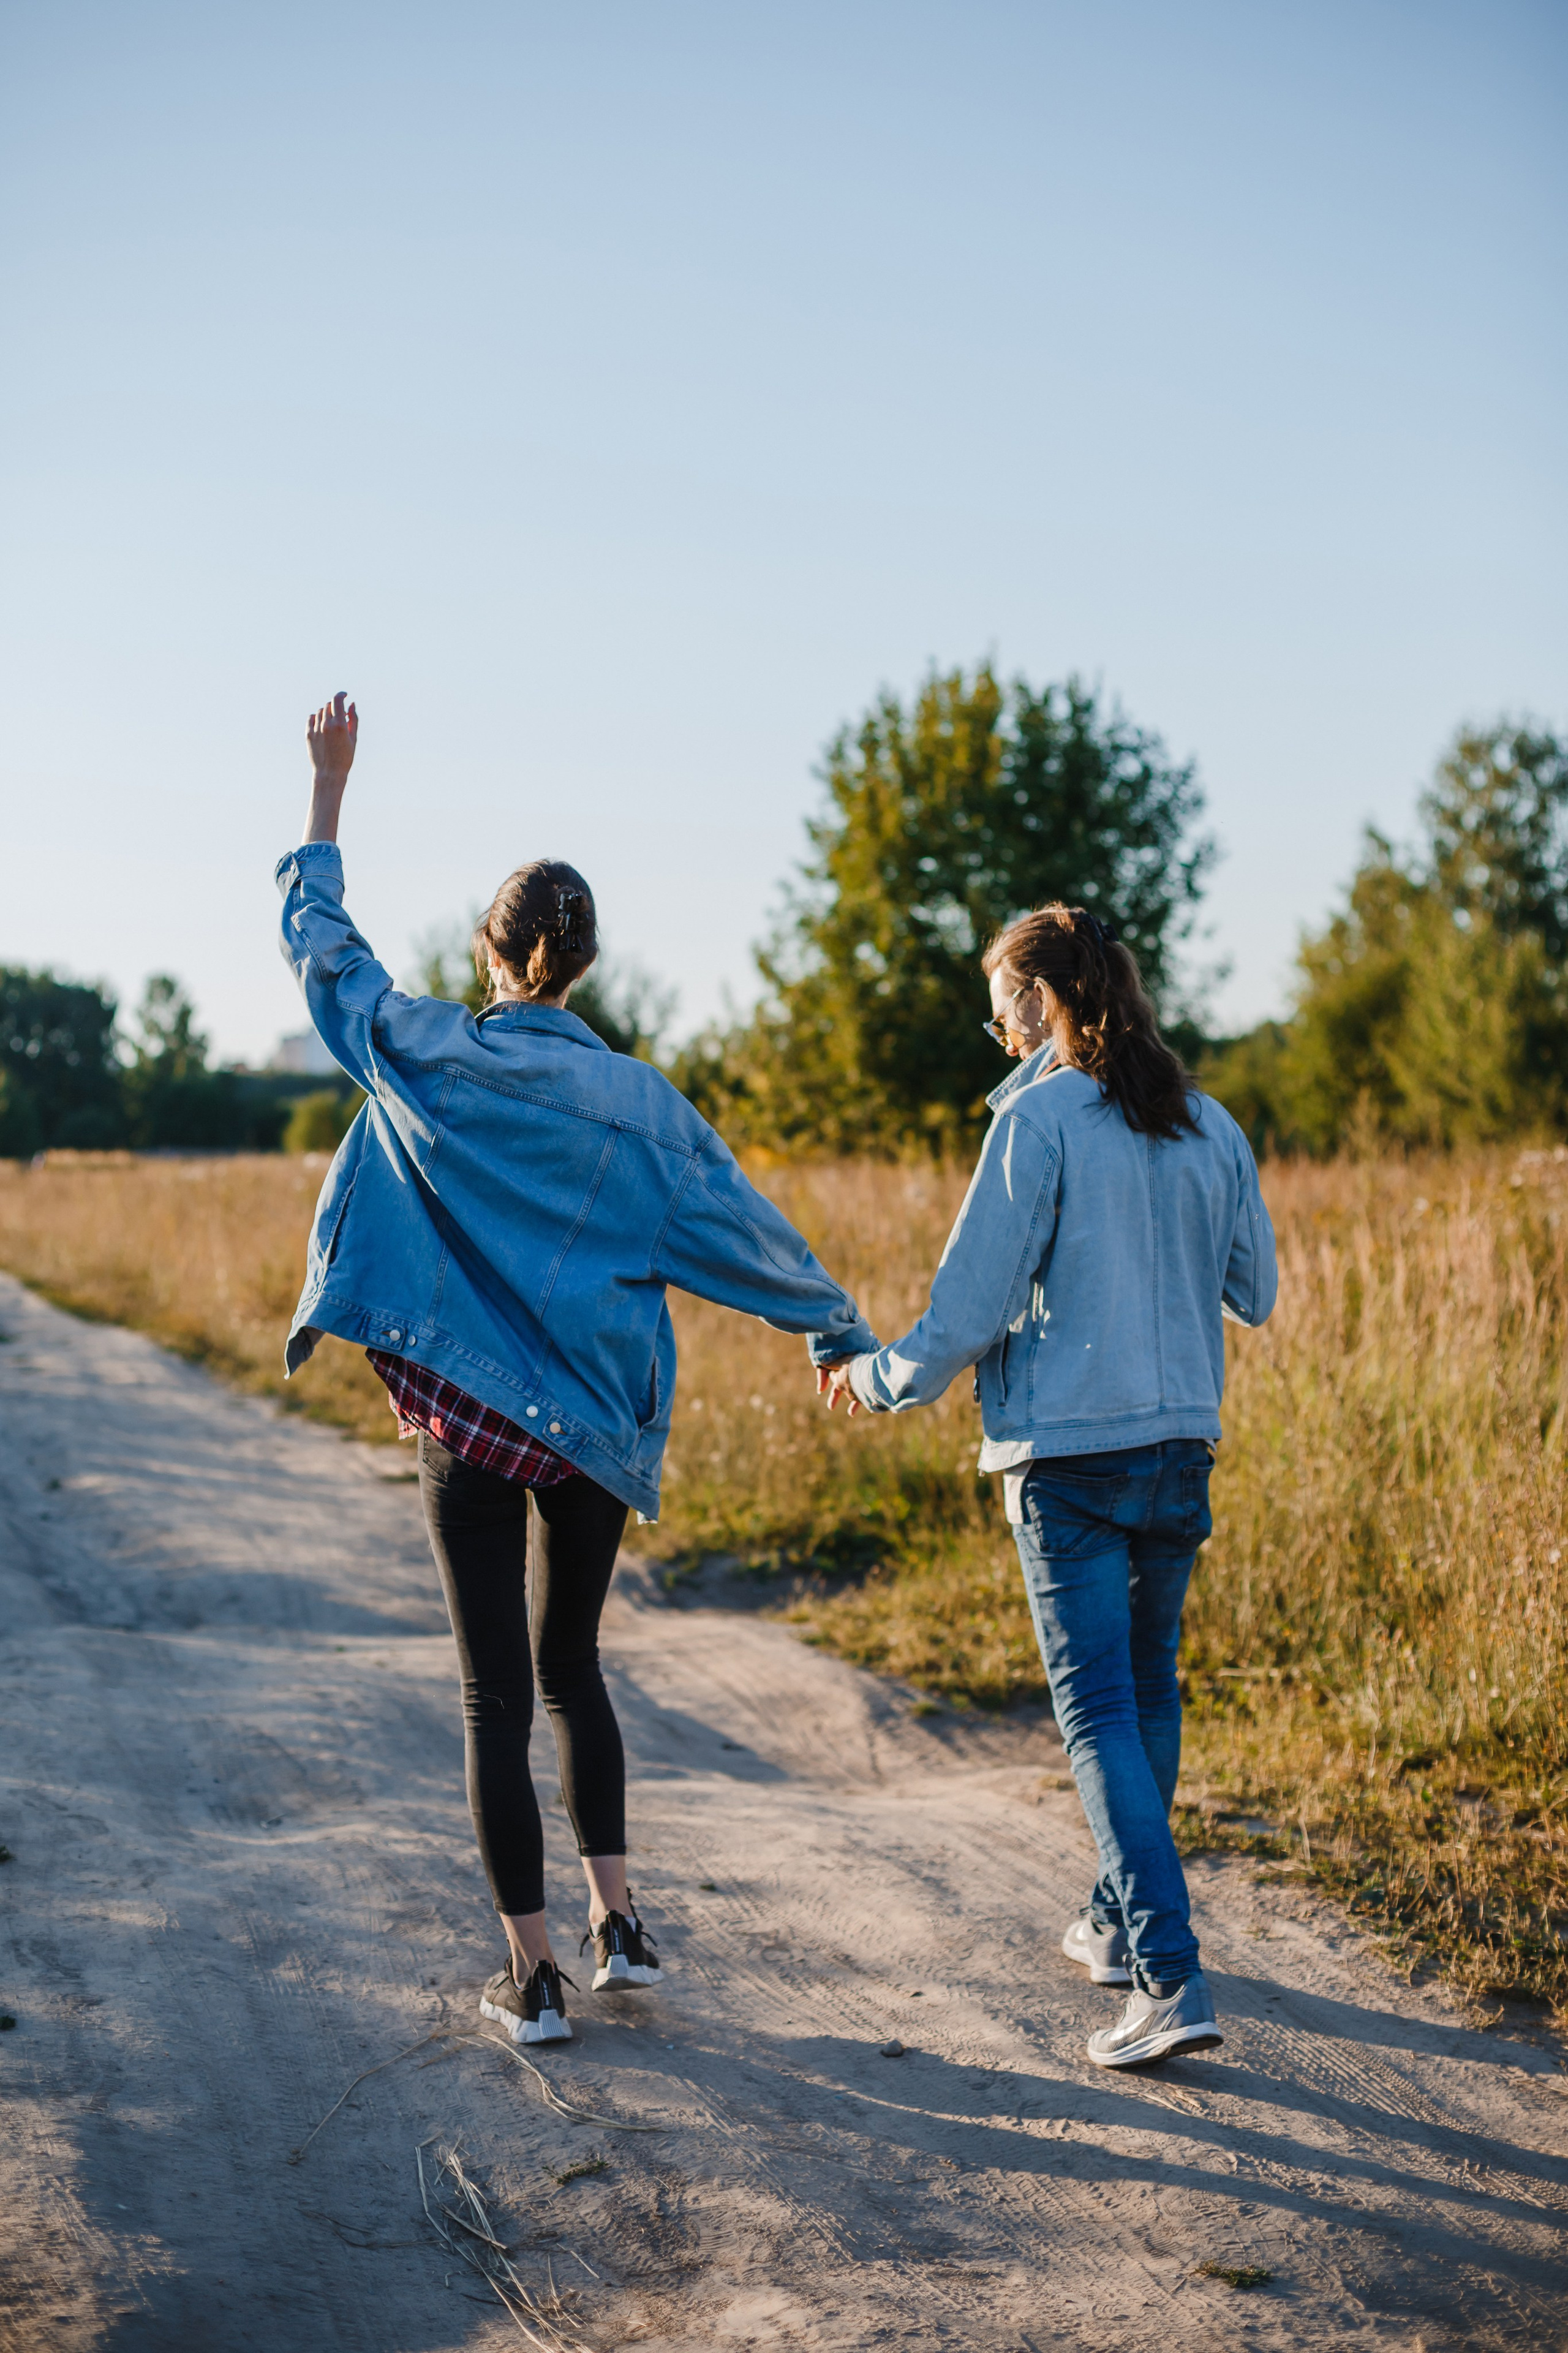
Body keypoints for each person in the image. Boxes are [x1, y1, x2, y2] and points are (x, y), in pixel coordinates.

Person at [277, 693, 880, 2046]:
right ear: (586, 964)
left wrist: (326, 795)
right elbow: (749, 1233)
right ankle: (621, 1925)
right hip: (596, 1428)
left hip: (469, 1423)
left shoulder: (431, 1056)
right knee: (573, 1670)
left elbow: (327, 960)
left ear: (490, 954)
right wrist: (832, 1326)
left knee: (492, 1690)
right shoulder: (646, 1106)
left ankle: (531, 1977)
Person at [816, 904, 1276, 2069]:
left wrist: (875, 1380)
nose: (997, 1034)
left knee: (1098, 1710)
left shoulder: (1041, 1119)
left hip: (1069, 1461)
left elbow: (966, 1313)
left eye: (997, 1010)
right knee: (1149, 1691)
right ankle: (1120, 1928)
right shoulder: (1209, 1122)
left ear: (1036, 1002)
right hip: (1182, 1447)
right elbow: (1255, 1290)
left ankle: (1170, 1975)